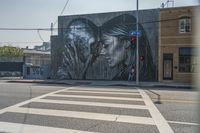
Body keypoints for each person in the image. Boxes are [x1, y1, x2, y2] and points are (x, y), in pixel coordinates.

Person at [101, 14, 155, 81]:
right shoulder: (129, 73)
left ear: (126, 42)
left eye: (106, 45)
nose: (102, 52)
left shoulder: (140, 76)